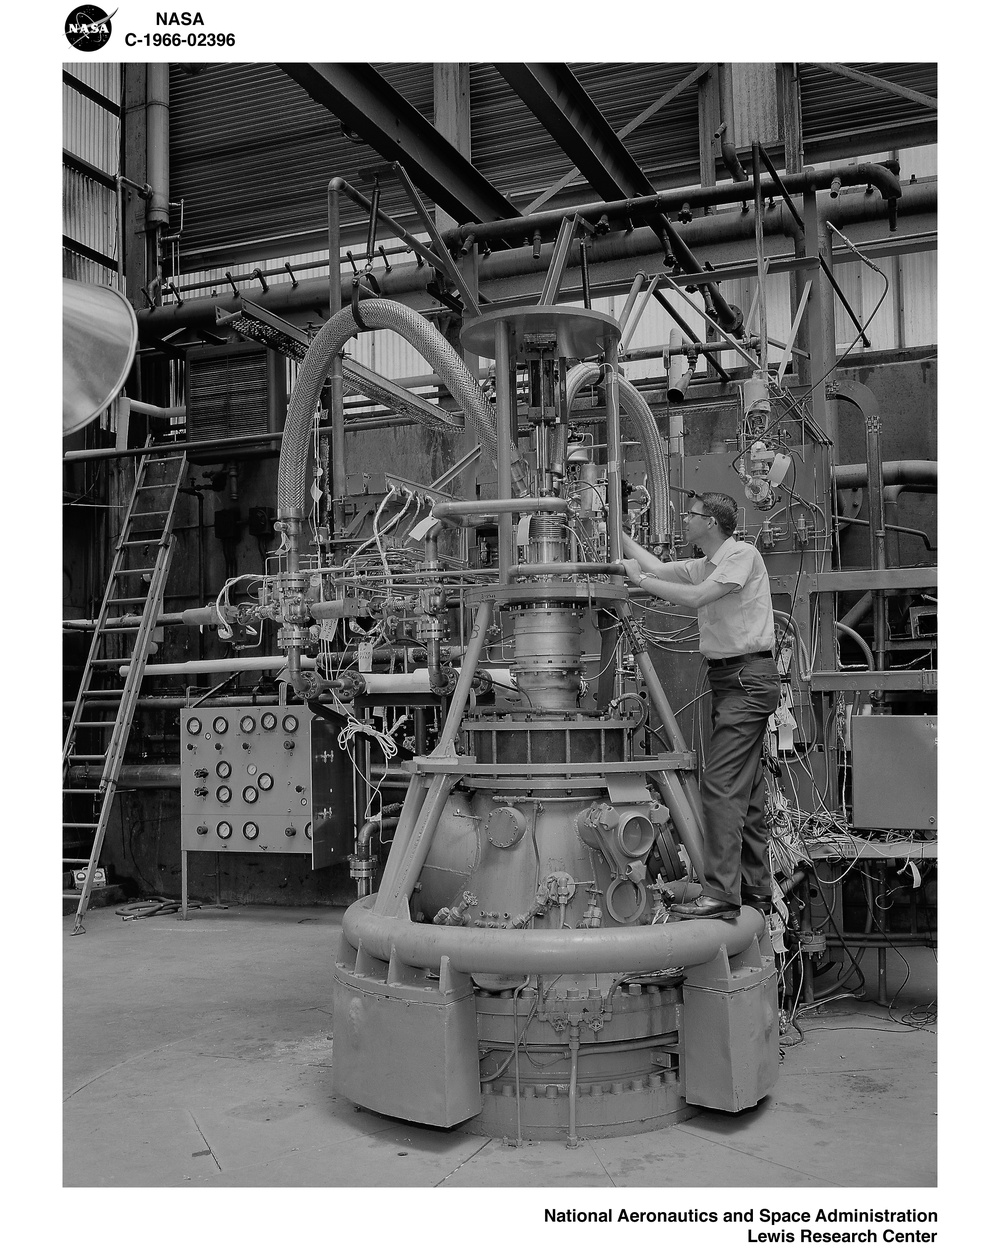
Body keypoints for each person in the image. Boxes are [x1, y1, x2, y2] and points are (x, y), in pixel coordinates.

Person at [622, 492, 780, 920]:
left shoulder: (741, 556)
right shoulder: (702, 565)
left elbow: (695, 598)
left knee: (719, 787)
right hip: (730, 681)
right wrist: (608, 532)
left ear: (710, 523)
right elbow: (654, 566)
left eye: (690, 516)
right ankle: (756, 890)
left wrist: (639, 582)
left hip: (747, 680)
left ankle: (722, 896)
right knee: (745, 793)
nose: (683, 521)